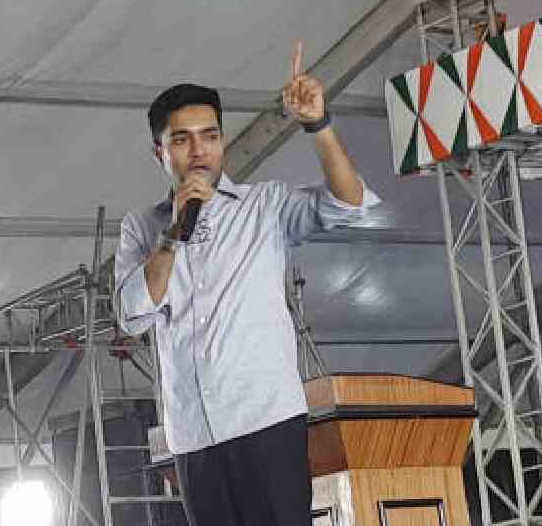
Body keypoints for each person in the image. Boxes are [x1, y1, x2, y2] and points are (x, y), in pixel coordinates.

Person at [114, 41, 381, 526]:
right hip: (193, 433)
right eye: (182, 139)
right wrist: (174, 234)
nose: (199, 151)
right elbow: (132, 314)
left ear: (222, 142)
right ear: (159, 151)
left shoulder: (264, 206)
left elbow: (350, 201)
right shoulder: (141, 227)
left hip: (265, 420)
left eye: (210, 136)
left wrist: (317, 125)